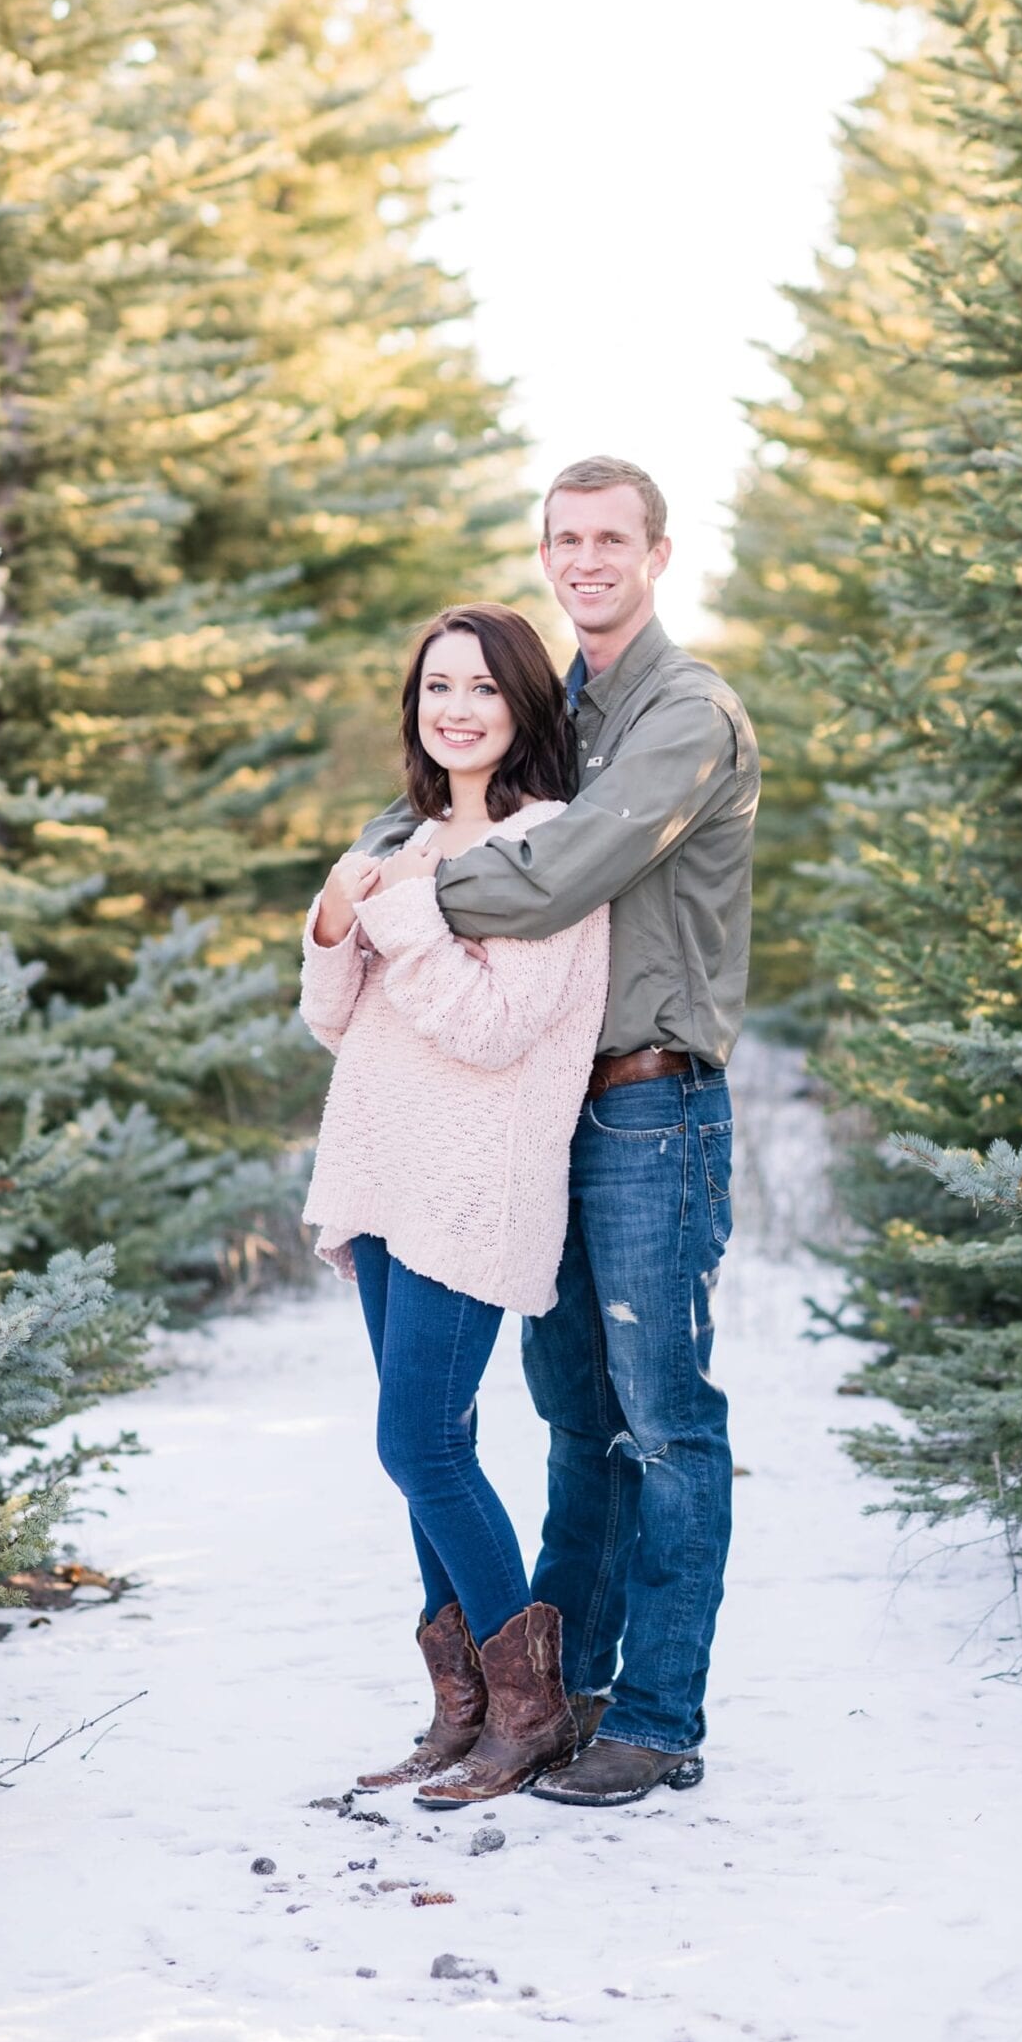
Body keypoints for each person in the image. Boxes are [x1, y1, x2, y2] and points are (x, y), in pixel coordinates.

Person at [356, 454, 760, 1807]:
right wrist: (361, 873)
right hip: (538, 1112)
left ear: (659, 551)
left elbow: (563, 871)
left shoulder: (684, 716)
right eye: (562, 539)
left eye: (610, 539)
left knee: (662, 1421)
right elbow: (424, 801)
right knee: (572, 1418)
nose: (583, 561)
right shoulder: (557, 710)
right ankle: (559, 1695)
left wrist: (399, 897)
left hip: (653, 1107)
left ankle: (658, 1715)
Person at [300, 603, 610, 1807]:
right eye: (436, 688)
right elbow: (339, 1018)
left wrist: (401, 919)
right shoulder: (409, 838)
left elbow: (493, 1027)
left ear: (524, 705)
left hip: (471, 1182)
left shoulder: (551, 849)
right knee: (435, 1448)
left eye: (483, 687)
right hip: (379, 1168)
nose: (457, 708)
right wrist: (337, 922)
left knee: (416, 1442)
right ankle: (462, 1708)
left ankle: (530, 1714)